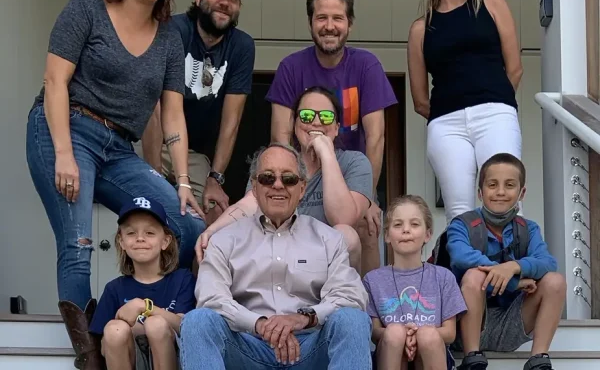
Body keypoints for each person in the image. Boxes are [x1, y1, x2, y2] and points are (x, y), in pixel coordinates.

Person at [24, 0, 204, 366]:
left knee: (190, 224)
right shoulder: (86, 8)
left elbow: (172, 114)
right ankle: (92, 357)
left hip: (120, 147)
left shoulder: (171, 38)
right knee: (78, 246)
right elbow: (55, 82)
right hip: (64, 128)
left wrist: (185, 182)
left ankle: (153, 325)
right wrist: (64, 153)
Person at [179, 143, 372, 370]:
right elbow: (211, 300)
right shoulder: (225, 240)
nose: (278, 185)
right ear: (255, 186)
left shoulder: (328, 239)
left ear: (302, 189)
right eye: (268, 178)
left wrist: (303, 318)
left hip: (309, 347)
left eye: (288, 179)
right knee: (197, 321)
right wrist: (260, 324)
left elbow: (350, 296)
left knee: (353, 319)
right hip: (248, 347)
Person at [267, 0, 398, 275]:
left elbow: (376, 137)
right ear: (311, 22)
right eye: (322, 17)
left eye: (337, 18)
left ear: (349, 23)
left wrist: (368, 198)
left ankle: (366, 312)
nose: (329, 26)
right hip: (303, 173)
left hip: (353, 175)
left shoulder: (366, 65)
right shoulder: (291, 67)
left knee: (367, 223)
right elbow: (280, 136)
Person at [195, 86, 373, 272]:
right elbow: (249, 204)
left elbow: (343, 218)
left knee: (348, 236)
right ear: (295, 125)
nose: (316, 122)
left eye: (326, 116)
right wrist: (212, 231)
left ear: (336, 128)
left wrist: (327, 155)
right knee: (216, 239)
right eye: (306, 116)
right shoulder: (275, 161)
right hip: (275, 249)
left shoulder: (355, 162)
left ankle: (338, 301)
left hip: (323, 260)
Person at [408, 0, 523, 223]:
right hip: (446, 125)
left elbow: (514, 68)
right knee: (459, 213)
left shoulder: (491, 1)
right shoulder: (420, 28)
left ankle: (511, 264)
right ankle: (468, 264)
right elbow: (419, 100)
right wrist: (452, 109)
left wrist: (493, 100)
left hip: (495, 115)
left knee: (504, 200)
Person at [141, 0, 255, 221]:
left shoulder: (242, 46)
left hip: (194, 152)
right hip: (152, 140)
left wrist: (216, 177)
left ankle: (201, 260)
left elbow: (231, 122)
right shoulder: (171, 29)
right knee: (148, 209)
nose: (224, 2)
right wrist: (155, 175)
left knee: (213, 210)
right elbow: (154, 105)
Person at [446, 153, 566, 370]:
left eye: (509, 185)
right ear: (480, 192)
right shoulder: (461, 224)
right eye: (492, 185)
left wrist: (514, 267)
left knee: (555, 281)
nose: (500, 192)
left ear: (522, 193)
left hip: (510, 324)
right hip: (464, 326)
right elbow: (460, 257)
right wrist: (513, 282)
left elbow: (547, 262)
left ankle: (539, 359)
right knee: (473, 274)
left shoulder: (528, 228)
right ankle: (472, 358)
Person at [89, 196, 196, 370]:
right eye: (131, 233)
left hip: (175, 359)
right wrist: (129, 330)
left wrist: (145, 308)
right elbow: (103, 347)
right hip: (130, 359)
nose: (140, 238)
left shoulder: (183, 279)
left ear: (165, 241)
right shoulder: (114, 288)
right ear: (121, 241)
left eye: (150, 233)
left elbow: (188, 328)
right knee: (115, 329)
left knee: (156, 324)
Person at [363, 195, 467, 370]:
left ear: (428, 234)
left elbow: (449, 333)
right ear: (387, 235)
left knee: (428, 335)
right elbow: (374, 333)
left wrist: (417, 334)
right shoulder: (373, 280)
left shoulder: (443, 277)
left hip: (432, 354)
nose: (406, 230)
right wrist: (402, 334)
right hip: (391, 355)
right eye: (398, 225)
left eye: (414, 224)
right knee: (395, 332)